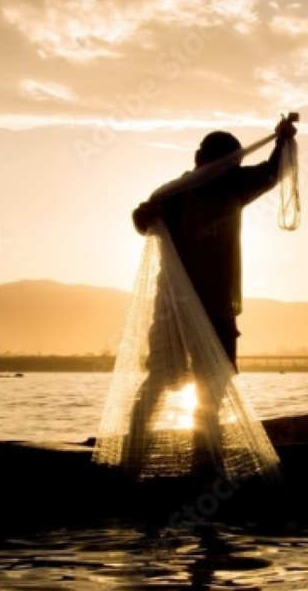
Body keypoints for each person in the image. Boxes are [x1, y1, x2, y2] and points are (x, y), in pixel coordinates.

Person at [124, 116, 298, 475]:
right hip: (174, 308)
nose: (224, 169)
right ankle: (132, 458)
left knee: (213, 387)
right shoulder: (175, 194)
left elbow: (272, 171)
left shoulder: (234, 187)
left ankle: (204, 461)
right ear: (199, 159)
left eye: (229, 164)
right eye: (220, 162)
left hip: (218, 308)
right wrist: (143, 215)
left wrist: (282, 140)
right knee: (159, 379)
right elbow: (142, 218)